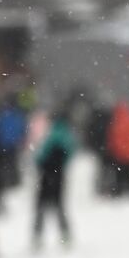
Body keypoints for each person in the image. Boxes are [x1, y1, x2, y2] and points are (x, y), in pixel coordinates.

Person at [33, 107, 76, 250]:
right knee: (59, 206)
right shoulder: (66, 135)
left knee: (41, 206)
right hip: (59, 175)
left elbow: (40, 156)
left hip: (46, 175)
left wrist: (40, 164)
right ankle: (65, 235)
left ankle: (37, 237)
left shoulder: (51, 135)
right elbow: (71, 153)